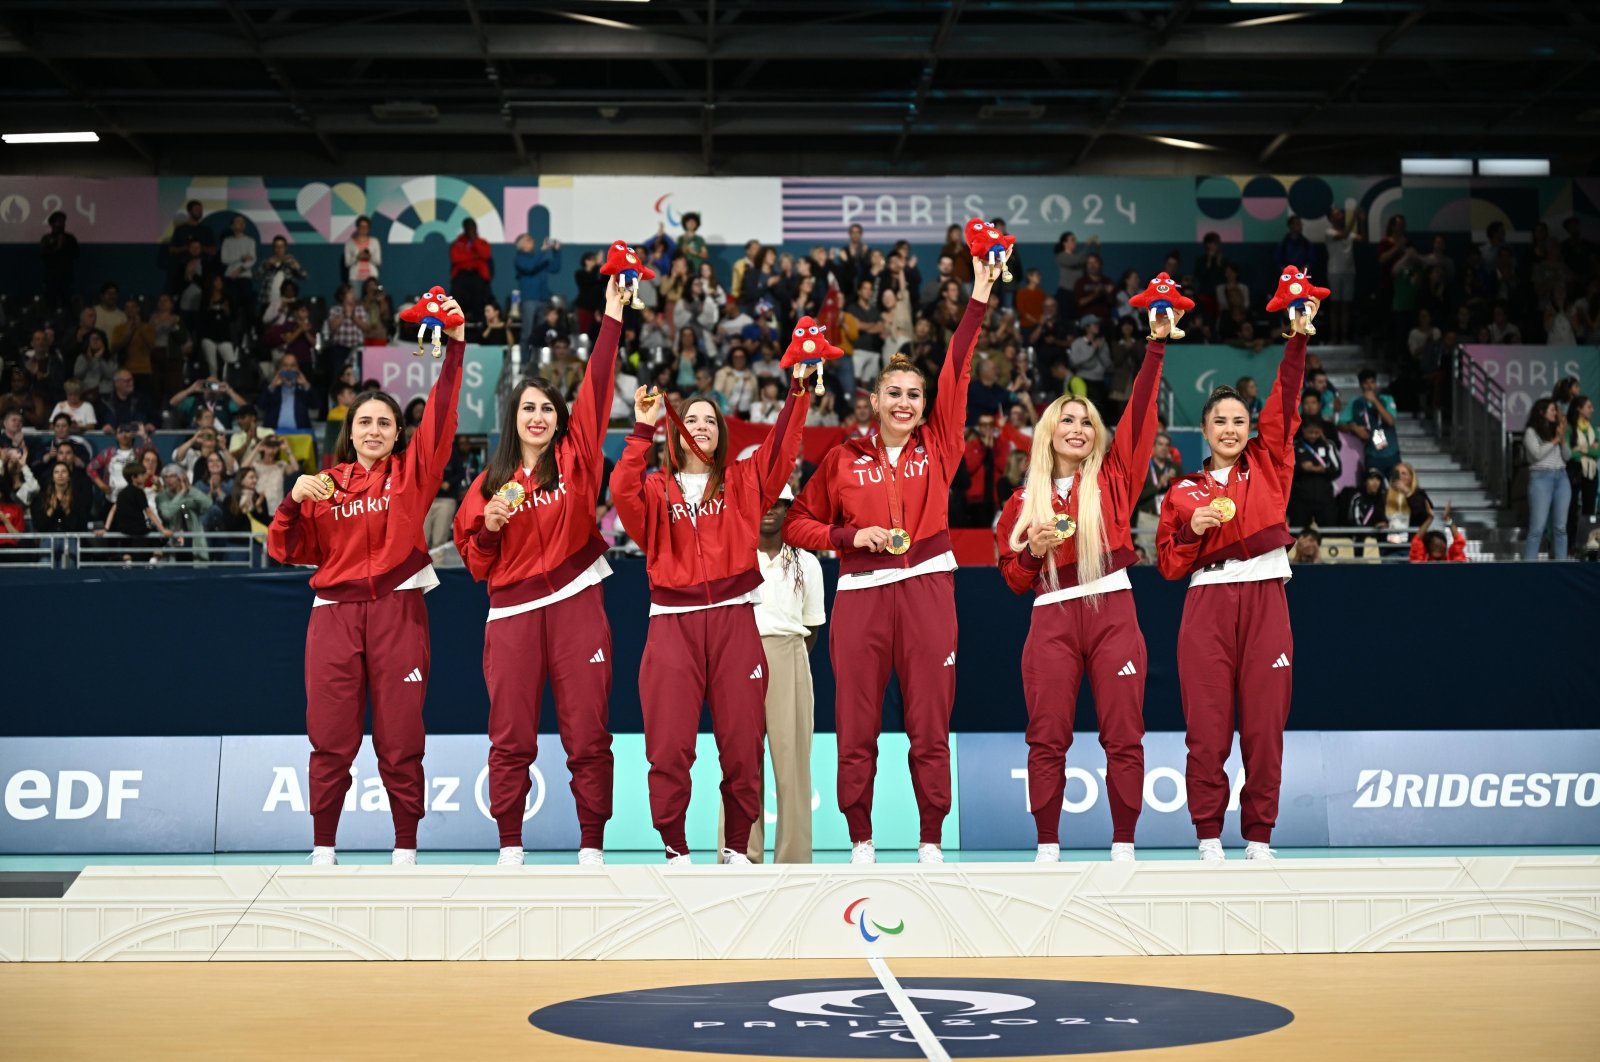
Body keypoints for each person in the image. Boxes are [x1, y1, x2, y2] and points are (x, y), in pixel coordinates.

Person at [782, 244, 1007, 864]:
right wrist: (849, 538)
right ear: (874, 402)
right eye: (894, 394)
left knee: (929, 725)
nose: (905, 402)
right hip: (859, 595)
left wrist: (981, 294)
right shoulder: (842, 459)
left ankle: (930, 837)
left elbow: (958, 367)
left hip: (928, 590)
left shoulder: (941, 445)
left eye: (914, 393)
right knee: (856, 728)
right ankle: (861, 838)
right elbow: (797, 523)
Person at [266, 295, 467, 867]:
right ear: (350, 433)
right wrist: (291, 503)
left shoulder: (414, 473)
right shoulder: (324, 485)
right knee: (330, 737)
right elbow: (287, 549)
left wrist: (454, 346)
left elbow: (444, 412)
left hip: (398, 614)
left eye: (385, 422)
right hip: (333, 616)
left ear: (399, 433)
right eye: (365, 423)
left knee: (401, 737)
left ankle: (405, 847)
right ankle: (323, 847)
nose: (375, 430)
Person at [608, 346, 811, 866]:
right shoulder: (654, 489)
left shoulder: (744, 483)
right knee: (670, 750)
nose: (700, 425)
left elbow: (780, 452)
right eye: (690, 418)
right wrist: (642, 429)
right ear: (677, 432)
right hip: (671, 626)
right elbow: (620, 490)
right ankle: (675, 849)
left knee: (742, 746)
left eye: (709, 420)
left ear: (721, 434)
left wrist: (799, 390)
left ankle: (735, 847)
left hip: (734, 621)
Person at [453, 278, 625, 867]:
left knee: (588, 734)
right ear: (513, 417)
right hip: (512, 617)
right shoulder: (486, 486)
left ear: (558, 420)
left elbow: (598, 386)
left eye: (547, 408)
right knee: (510, 737)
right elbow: (474, 564)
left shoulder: (578, 456)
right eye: (528, 407)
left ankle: (592, 846)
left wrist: (610, 319)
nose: (538, 416)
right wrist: (491, 527)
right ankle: (509, 845)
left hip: (578, 604)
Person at [994, 306, 1171, 864]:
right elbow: (1013, 581)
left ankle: (1124, 845)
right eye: (1067, 420)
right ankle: (1048, 846)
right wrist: (1035, 550)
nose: (1077, 429)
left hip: (1113, 610)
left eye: (1086, 421)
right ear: (1050, 433)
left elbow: (1141, 416)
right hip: (1052, 619)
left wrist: (1155, 348)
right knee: (1046, 737)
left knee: (1124, 734)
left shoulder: (1115, 479)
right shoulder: (1022, 503)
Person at [1156, 295, 1317, 863]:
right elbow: (1170, 566)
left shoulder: (1269, 461)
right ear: (1202, 429)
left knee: (1264, 727)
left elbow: (1286, 400)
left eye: (1239, 422)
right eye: (1219, 421)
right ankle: (1207, 835)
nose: (1229, 429)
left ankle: (1259, 837)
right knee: (1207, 728)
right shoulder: (1180, 491)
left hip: (1266, 596)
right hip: (1207, 606)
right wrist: (1193, 530)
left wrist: (1296, 339)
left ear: (1251, 429)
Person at [715, 486, 825, 864]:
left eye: (779, 504)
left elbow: (812, 628)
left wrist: (786, 659)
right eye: (764, 502)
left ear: (789, 508)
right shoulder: (732, 555)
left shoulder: (807, 563)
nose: (770, 510)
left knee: (793, 762)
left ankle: (794, 859)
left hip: (789, 653)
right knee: (740, 760)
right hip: (739, 654)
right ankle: (739, 852)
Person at [1523, 397, 1571, 561]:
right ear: (1541, 412)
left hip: (1562, 478)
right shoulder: (1531, 432)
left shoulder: (1556, 432)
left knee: (1560, 528)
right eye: (1552, 410)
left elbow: (1568, 456)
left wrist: (1562, 438)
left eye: (1556, 410)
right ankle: (1528, 568)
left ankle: (1561, 565)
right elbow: (1537, 454)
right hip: (1541, 478)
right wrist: (1556, 440)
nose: (1555, 413)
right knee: (1537, 528)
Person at [1343, 369, 1400, 479]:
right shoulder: (1355, 402)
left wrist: (1375, 401)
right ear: (1360, 385)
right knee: (1373, 488)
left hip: (1392, 453)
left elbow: (1390, 421)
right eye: (1366, 383)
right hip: (1372, 455)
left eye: (1372, 382)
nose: (1369, 386)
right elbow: (1340, 424)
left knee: (1396, 487)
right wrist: (1353, 427)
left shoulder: (1386, 399)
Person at [1287, 416, 1341, 530]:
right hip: (1300, 499)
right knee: (1298, 534)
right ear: (1303, 430)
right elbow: (1287, 472)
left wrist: (1324, 470)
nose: (1313, 435)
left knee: (1329, 534)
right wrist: (1301, 468)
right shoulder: (1294, 446)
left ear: (1321, 431)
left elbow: (1337, 469)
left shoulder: (1329, 446)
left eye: (1316, 432)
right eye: (1310, 432)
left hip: (1324, 499)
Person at [514, 234, 562, 355]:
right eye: (528, 240)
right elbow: (529, 267)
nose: (532, 242)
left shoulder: (539, 258)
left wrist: (556, 252)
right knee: (527, 333)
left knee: (542, 333)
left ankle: (539, 361)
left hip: (543, 299)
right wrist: (543, 251)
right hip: (529, 300)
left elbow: (555, 268)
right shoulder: (520, 258)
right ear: (522, 244)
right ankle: (524, 364)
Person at [1566, 395, 1597, 551]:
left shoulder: (1593, 429)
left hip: (1591, 471)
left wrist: (1582, 450)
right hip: (1574, 471)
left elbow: (1598, 452)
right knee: (1571, 509)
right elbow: (1569, 454)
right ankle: (1571, 544)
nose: (1592, 409)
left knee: (1589, 510)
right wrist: (1589, 450)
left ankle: (1588, 545)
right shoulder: (1570, 428)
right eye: (1589, 407)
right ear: (1579, 408)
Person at [449, 219, 494, 322]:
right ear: (464, 228)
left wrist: (475, 241)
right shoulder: (457, 243)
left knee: (478, 300)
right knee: (457, 299)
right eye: (469, 227)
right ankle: (456, 323)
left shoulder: (482, 242)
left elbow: (485, 255)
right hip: (462, 275)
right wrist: (475, 256)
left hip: (477, 275)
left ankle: (479, 325)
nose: (471, 229)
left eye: (473, 227)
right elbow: (456, 258)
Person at [343, 215, 381, 285]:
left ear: (369, 228)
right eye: (361, 226)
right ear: (357, 228)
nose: (363, 229)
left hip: (371, 278)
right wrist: (357, 257)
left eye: (366, 227)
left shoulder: (375, 242)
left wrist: (369, 257)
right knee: (356, 296)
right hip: (355, 279)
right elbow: (347, 263)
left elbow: (378, 261)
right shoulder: (350, 243)